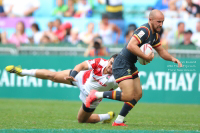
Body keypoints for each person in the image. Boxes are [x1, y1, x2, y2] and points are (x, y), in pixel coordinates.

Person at [86, 9, 183, 126]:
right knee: (128, 95)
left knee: (137, 94)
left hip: (130, 64)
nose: (161, 24)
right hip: (122, 62)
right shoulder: (144, 30)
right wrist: (145, 56)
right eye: (158, 21)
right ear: (150, 20)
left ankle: (118, 121)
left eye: (162, 22)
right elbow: (131, 45)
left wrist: (173, 58)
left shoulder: (155, 35)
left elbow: (161, 51)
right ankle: (96, 94)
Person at [5, 54, 119, 124]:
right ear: (108, 60)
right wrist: (73, 75)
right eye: (111, 63)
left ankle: (107, 116)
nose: (111, 66)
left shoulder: (117, 78)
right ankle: (23, 72)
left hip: (91, 97)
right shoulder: (100, 62)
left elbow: (124, 92)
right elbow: (81, 66)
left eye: (114, 66)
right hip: (80, 78)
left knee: (82, 120)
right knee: (53, 76)